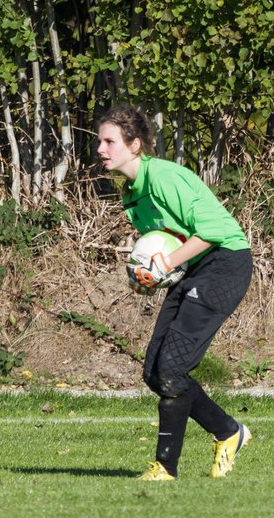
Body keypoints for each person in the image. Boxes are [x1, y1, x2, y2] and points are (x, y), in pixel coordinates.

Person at [97, 106, 254, 481]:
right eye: (99, 141)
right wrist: (146, 277)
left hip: (225, 264)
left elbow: (214, 229)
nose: (101, 149)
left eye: (109, 141)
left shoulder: (164, 178)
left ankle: (165, 467)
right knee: (155, 371)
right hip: (196, 269)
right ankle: (229, 432)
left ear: (134, 145)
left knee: (172, 368)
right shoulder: (133, 195)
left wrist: (165, 266)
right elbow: (168, 248)